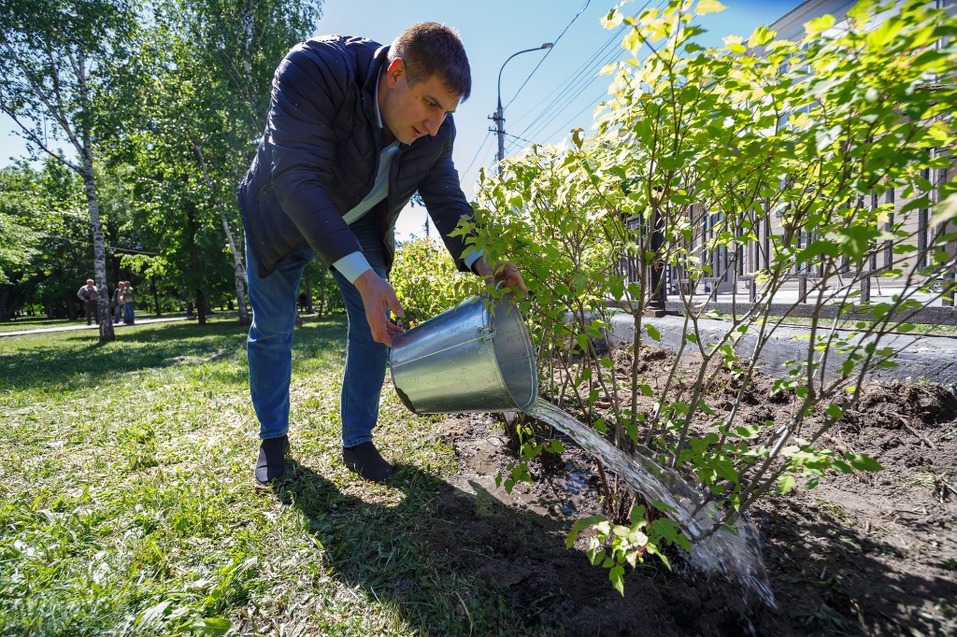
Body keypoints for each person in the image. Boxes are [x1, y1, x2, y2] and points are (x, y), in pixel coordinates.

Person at [238, 21, 526, 486]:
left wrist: (484, 262)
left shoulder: (437, 132)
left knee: (377, 324)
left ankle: (358, 441)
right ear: (395, 73)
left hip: (358, 219)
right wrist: (364, 278)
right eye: (430, 103)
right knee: (272, 328)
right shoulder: (314, 68)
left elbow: (447, 200)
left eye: (446, 112)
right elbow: (297, 179)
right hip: (282, 211)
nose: (435, 126)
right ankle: (273, 438)